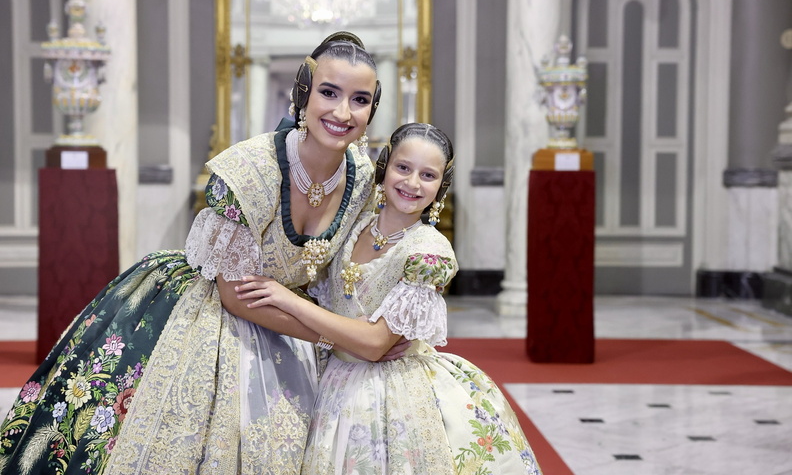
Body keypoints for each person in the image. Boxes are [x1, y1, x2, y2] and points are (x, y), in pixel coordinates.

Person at [0, 31, 395, 475]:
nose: (343, 112)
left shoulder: (363, 176)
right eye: (329, 92)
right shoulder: (248, 171)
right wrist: (340, 339)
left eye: (360, 99)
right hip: (209, 311)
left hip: (292, 314)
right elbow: (235, 296)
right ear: (302, 94)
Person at [235, 123, 543, 474]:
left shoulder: (428, 252)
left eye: (428, 175)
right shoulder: (352, 226)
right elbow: (321, 292)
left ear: (441, 187)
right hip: (332, 379)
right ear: (384, 169)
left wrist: (290, 301)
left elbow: (374, 345)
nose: (412, 183)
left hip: (392, 393)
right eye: (403, 168)